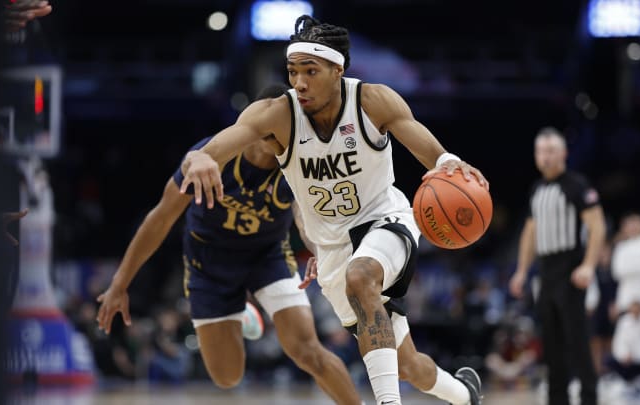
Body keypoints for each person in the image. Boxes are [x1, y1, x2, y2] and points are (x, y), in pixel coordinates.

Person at [180, 14, 487, 405]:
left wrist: (447, 163)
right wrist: (202, 158)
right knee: (407, 364)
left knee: (362, 276)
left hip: (384, 220)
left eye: (311, 71)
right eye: (293, 72)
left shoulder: (373, 100)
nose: (299, 82)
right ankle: (464, 393)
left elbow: (424, 144)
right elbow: (213, 148)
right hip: (334, 250)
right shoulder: (278, 113)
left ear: (337, 69)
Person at [96, 84, 363, 405]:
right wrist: (120, 284)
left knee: (308, 351)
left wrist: (322, 252)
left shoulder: (298, 164)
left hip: (268, 257)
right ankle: (242, 308)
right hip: (209, 263)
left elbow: (304, 220)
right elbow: (160, 219)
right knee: (227, 377)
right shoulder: (216, 156)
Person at [509, 127, 606, 405]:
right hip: (546, 271)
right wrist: (521, 271)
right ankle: (557, 399)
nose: (546, 157)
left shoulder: (577, 184)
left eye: (551, 150)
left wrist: (588, 265)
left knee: (578, 342)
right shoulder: (537, 189)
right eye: (541, 151)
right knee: (551, 346)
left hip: (571, 267)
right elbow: (530, 232)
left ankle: (589, 398)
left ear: (563, 153)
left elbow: (597, 226)